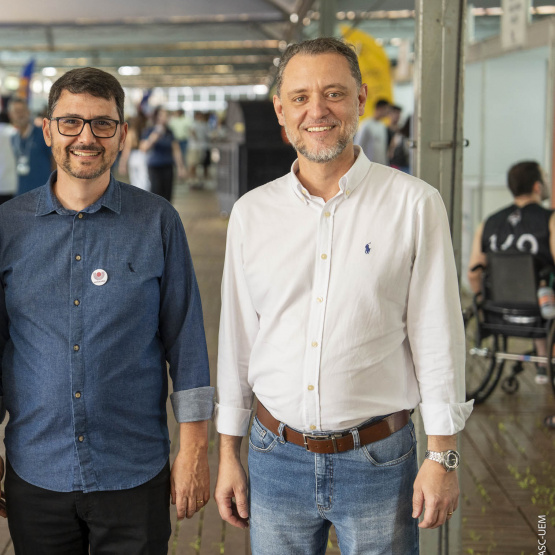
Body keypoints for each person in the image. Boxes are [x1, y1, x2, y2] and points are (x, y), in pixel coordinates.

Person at [214, 37, 472, 554]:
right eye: (302, 96)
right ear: (281, 111)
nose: (318, 110)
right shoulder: (251, 213)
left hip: (379, 461)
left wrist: (442, 455)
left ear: (360, 99)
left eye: (334, 93)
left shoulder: (414, 205)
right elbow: (237, 341)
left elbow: (438, 336)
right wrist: (228, 453)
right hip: (273, 455)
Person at [0, 67, 213, 554]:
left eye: (102, 124)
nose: (86, 137)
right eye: (70, 123)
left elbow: (186, 341)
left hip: (132, 471)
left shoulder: (157, 222)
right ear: (47, 130)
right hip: (37, 468)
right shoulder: (7, 227)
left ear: (122, 134)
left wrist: (193, 448)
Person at [466, 160, 554, 386]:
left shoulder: (488, 223)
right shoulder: (550, 220)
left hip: (498, 313)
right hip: (541, 312)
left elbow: (473, 273)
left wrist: (482, 303)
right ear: (537, 187)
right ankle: (545, 360)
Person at [9, 98, 53, 196]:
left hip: (43, 193)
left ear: (28, 112)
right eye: (16, 112)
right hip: (22, 193)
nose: (20, 114)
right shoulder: (13, 138)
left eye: (22, 111)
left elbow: (54, 160)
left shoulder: (42, 134)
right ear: (11, 116)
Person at [140, 107, 185, 202]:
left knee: (167, 195)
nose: (164, 118)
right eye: (162, 115)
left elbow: (176, 150)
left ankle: (166, 216)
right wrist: (155, 135)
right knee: (156, 193)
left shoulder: (169, 132)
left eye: (166, 115)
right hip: (155, 166)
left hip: (168, 166)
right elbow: (143, 148)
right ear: (156, 117)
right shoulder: (150, 130)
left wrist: (181, 167)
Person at [354, 98, 390, 164]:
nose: (387, 112)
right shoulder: (366, 125)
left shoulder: (382, 126)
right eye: (386, 109)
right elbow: (358, 145)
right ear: (380, 108)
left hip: (381, 166)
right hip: (367, 165)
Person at [187, 111, 212, 189]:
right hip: (195, 148)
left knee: (204, 165)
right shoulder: (194, 124)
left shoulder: (205, 125)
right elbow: (192, 133)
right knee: (193, 165)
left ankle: (200, 181)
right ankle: (192, 181)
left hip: (203, 147)